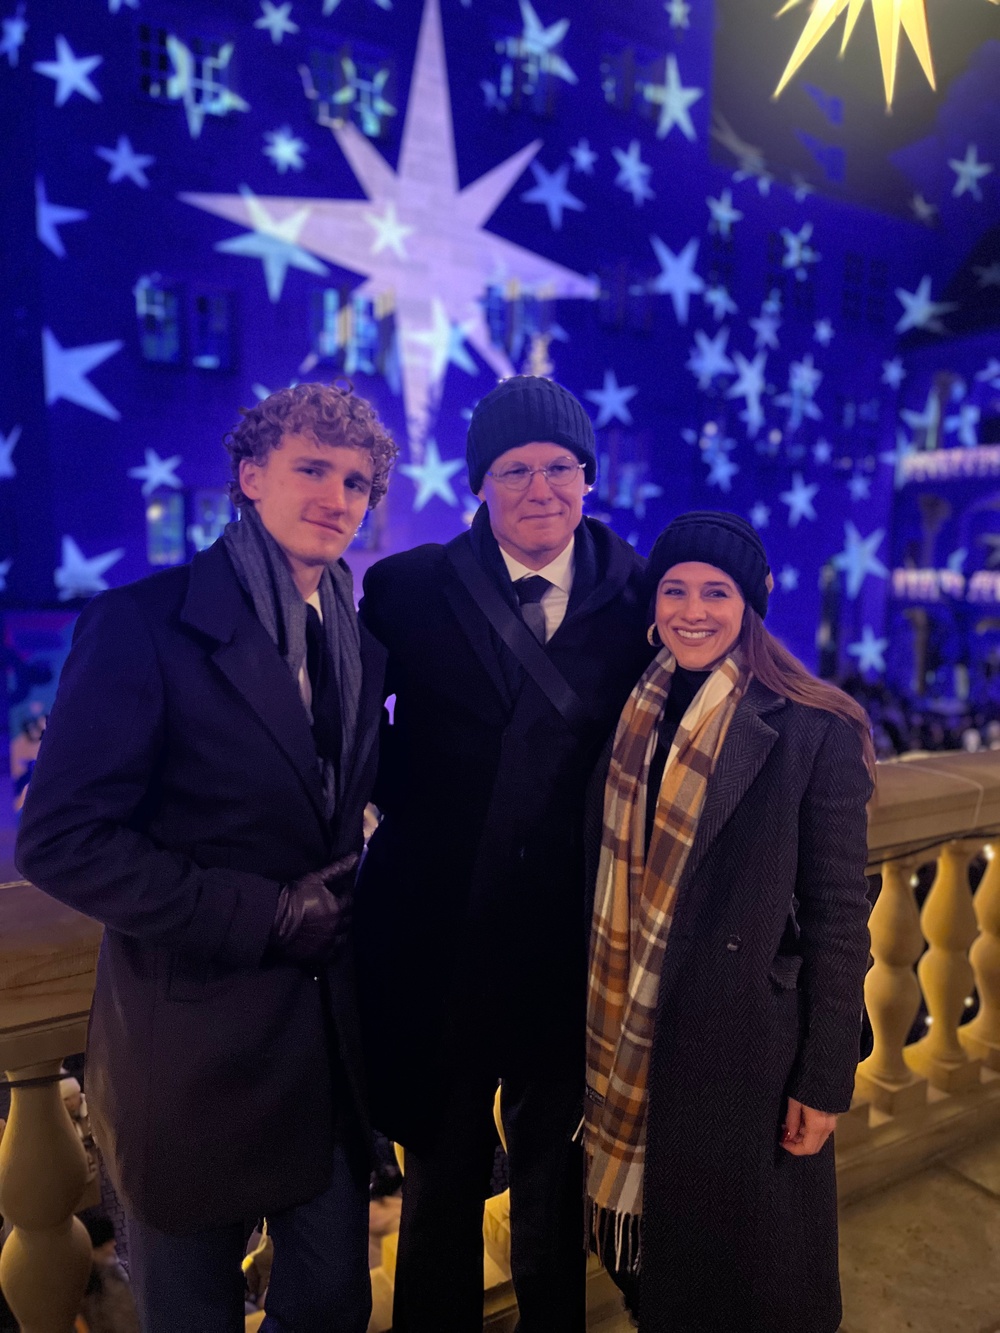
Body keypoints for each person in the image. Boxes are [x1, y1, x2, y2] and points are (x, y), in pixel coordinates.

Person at [16, 382, 398, 1333]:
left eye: (356, 481)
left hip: (322, 1050)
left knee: (334, 1307)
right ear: (250, 476)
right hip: (188, 1058)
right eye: (312, 468)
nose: (338, 496)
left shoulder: (357, 637)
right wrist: (260, 911)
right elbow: (60, 840)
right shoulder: (143, 624)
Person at [355, 375, 651, 1332]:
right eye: (513, 468)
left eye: (560, 466)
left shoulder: (642, 594)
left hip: (571, 941)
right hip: (437, 934)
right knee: (439, 1173)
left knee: (553, 1172)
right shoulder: (404, 589)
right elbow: (349, 736)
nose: (540, 488)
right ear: (479, 483)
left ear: (590, 478)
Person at [583, 511, 875, 1333]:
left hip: (744, 1045)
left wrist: (824, 1079)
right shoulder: (630, 711)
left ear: (753, 605)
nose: (692, 609)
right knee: (654, 1269)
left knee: (743, 1283)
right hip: (625, 1032)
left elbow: (839, 917)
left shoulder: (814, 724)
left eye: (717, 591)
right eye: (674, 589)